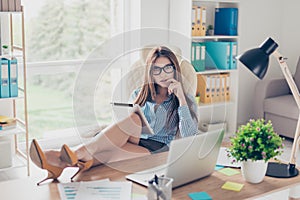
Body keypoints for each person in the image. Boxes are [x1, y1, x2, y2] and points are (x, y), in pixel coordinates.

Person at [30, 46, 199, 185]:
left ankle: (61, 163)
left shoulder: (186, 98)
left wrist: (181, 99)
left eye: (167, 68)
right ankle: (75, 153)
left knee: (110, 153)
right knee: (134, 118)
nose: (163, 74)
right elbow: (125, 125)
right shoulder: (138, 94)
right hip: (134, 136)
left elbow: (189, 135)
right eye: (157, 70)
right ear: (150, 73)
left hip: (156, 148)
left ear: (175, 70)